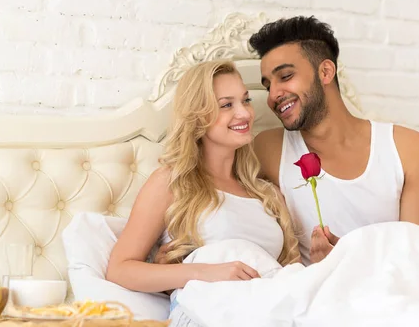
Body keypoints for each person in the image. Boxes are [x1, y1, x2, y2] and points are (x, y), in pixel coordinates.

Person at [105, 59, 301, 326]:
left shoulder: (265, 193)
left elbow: (287, 274)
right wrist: (203, 272)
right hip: (206, 312)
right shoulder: (172, 183)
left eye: (245, 101)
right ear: (198, 115)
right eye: (226, 105)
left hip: (268, 310)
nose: (244, 113)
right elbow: (120, 269)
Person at [249, 15, 419, 266]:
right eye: (268, 86)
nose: (274, 95)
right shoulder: (267, 150)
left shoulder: (410, 150)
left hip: (393, 296)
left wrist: (350, 263)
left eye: (286, 76)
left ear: (325, 71)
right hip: (315, 297)